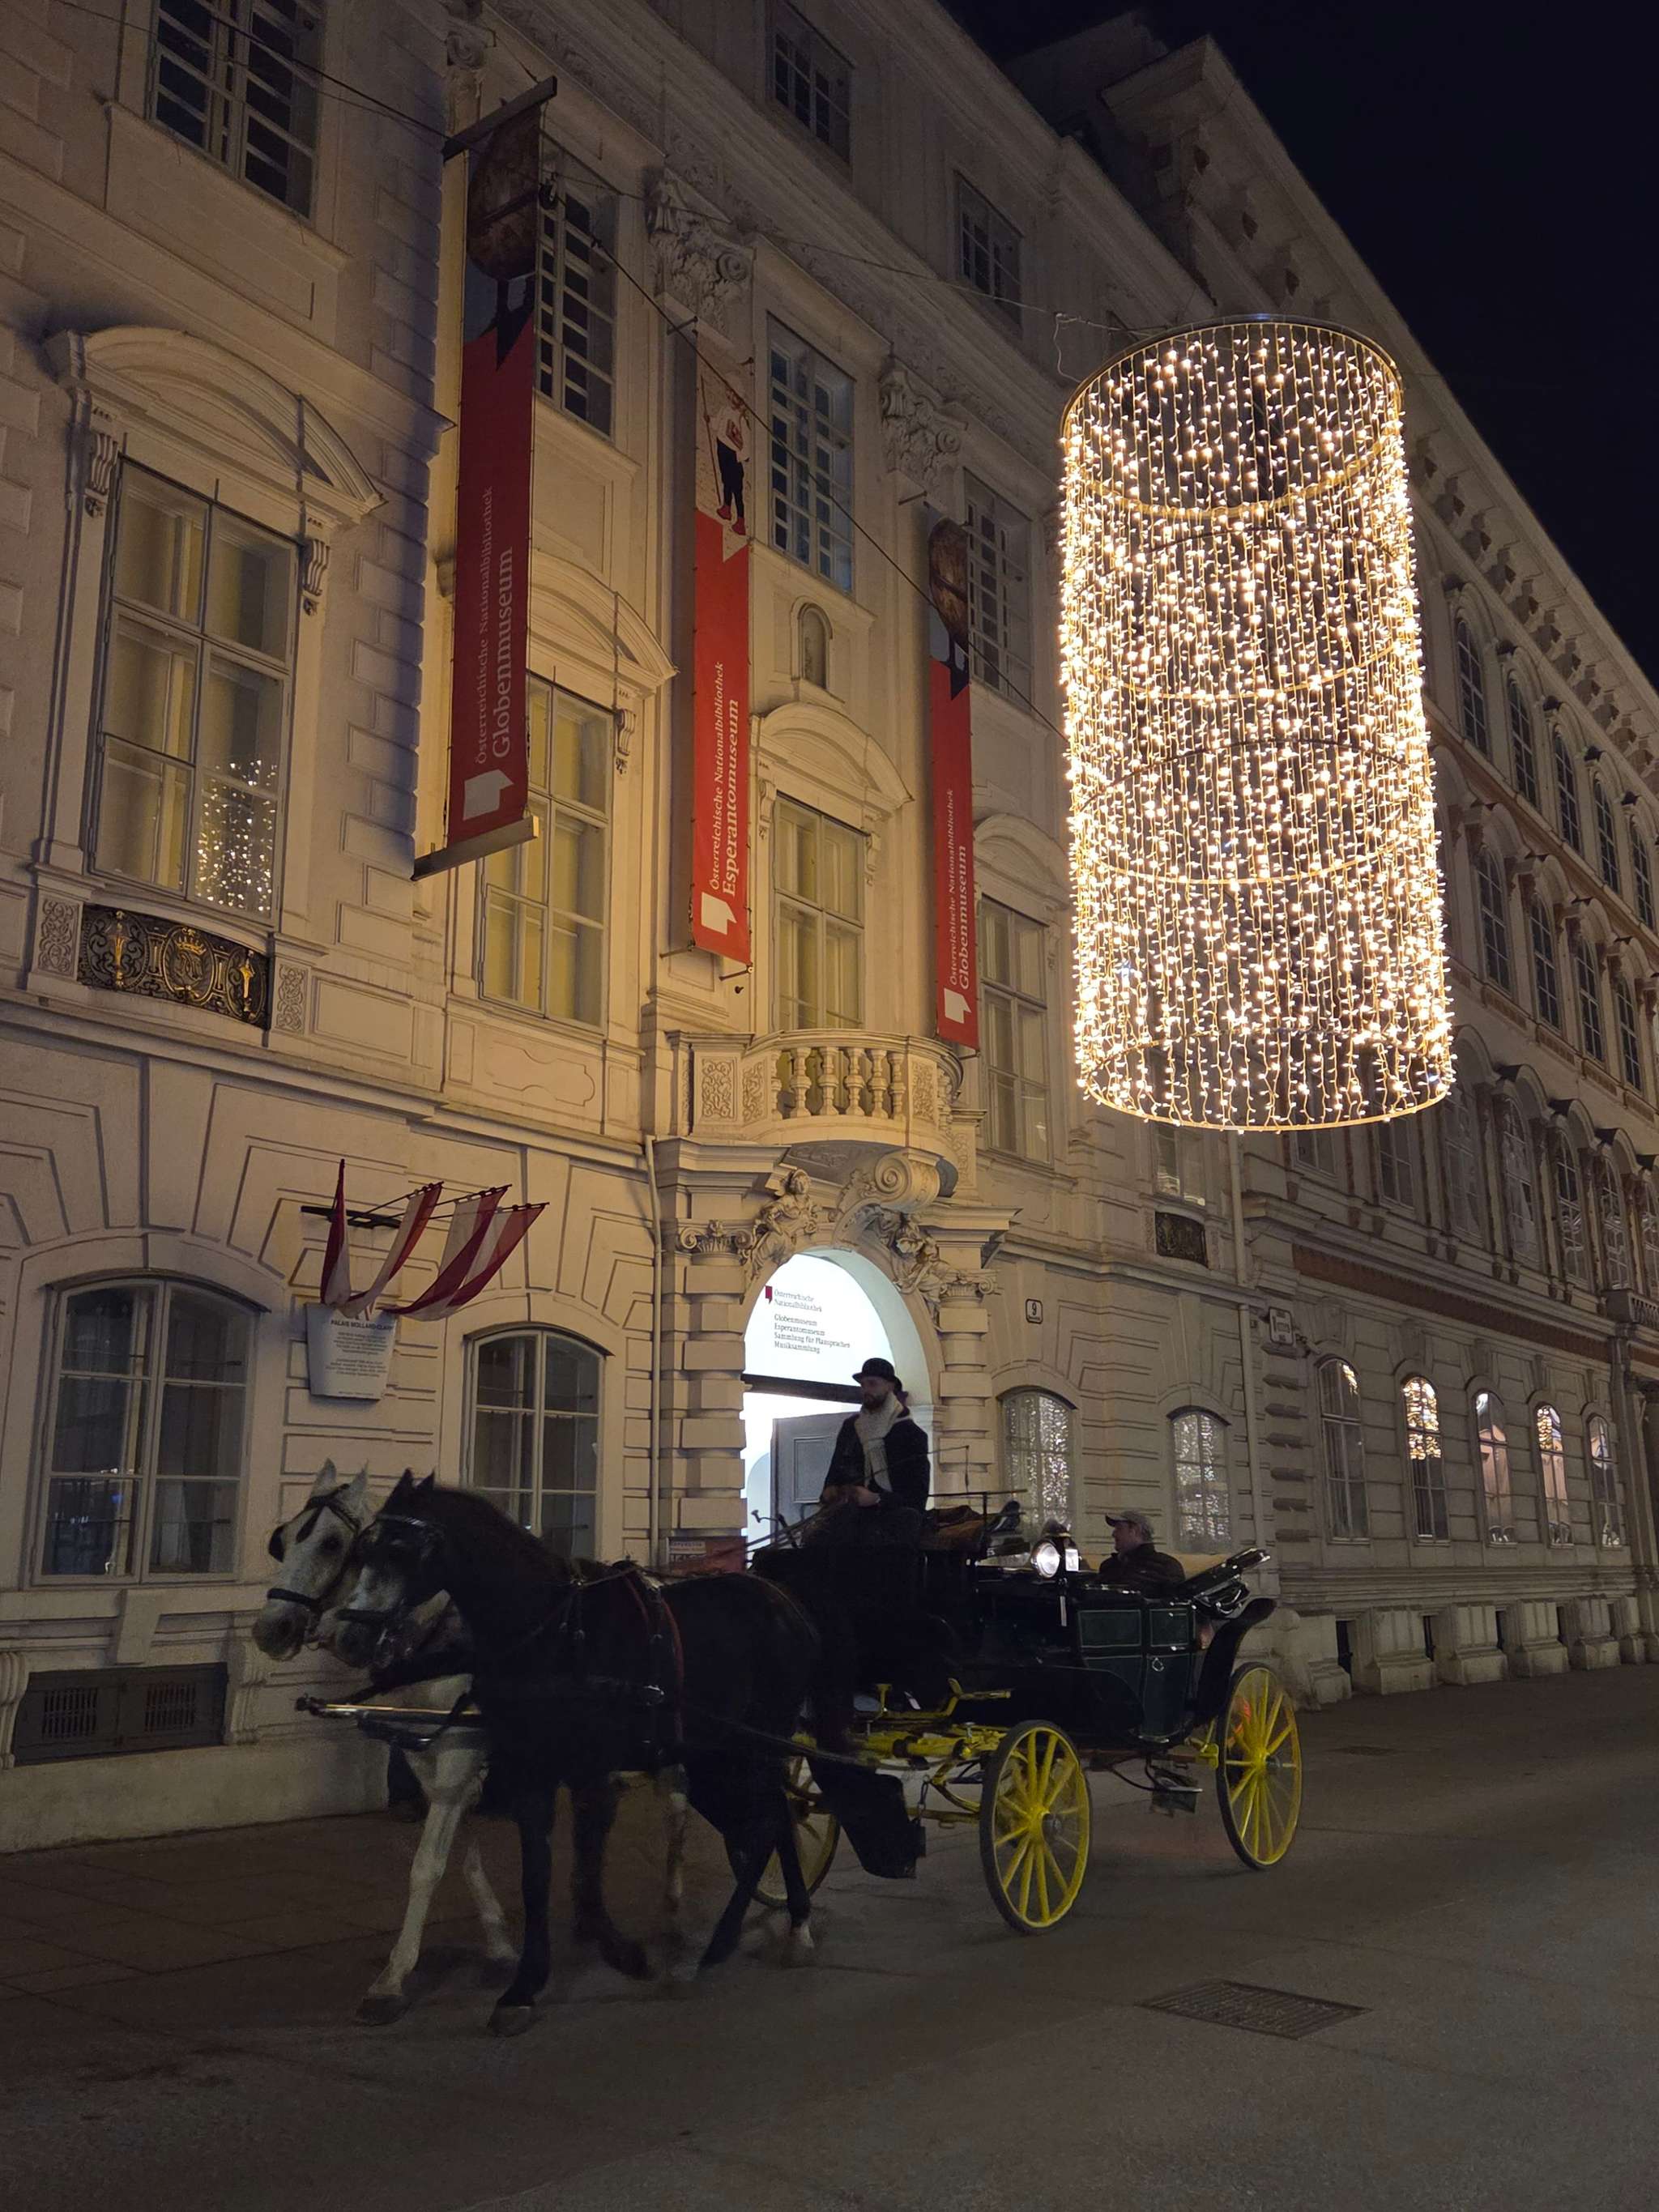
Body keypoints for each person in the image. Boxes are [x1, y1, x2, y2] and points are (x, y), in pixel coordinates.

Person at [820, 1357, 930, 1517]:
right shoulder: (851, 1427)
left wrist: (877, 1499)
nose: (866, 1390)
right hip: (849, 1514)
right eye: (863, 1385)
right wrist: (831, 1490)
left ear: (890, 1386)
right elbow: (835, 1472)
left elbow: (917, 1496)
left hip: (892, 1517)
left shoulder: (910, 1433)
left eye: (872, 1384)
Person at [1093, 1508, 1186, 1592]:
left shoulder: (1166, 1567)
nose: (1114, 1534)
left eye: (1119, 1528)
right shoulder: (1109, 1566)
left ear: (1135, 1530)